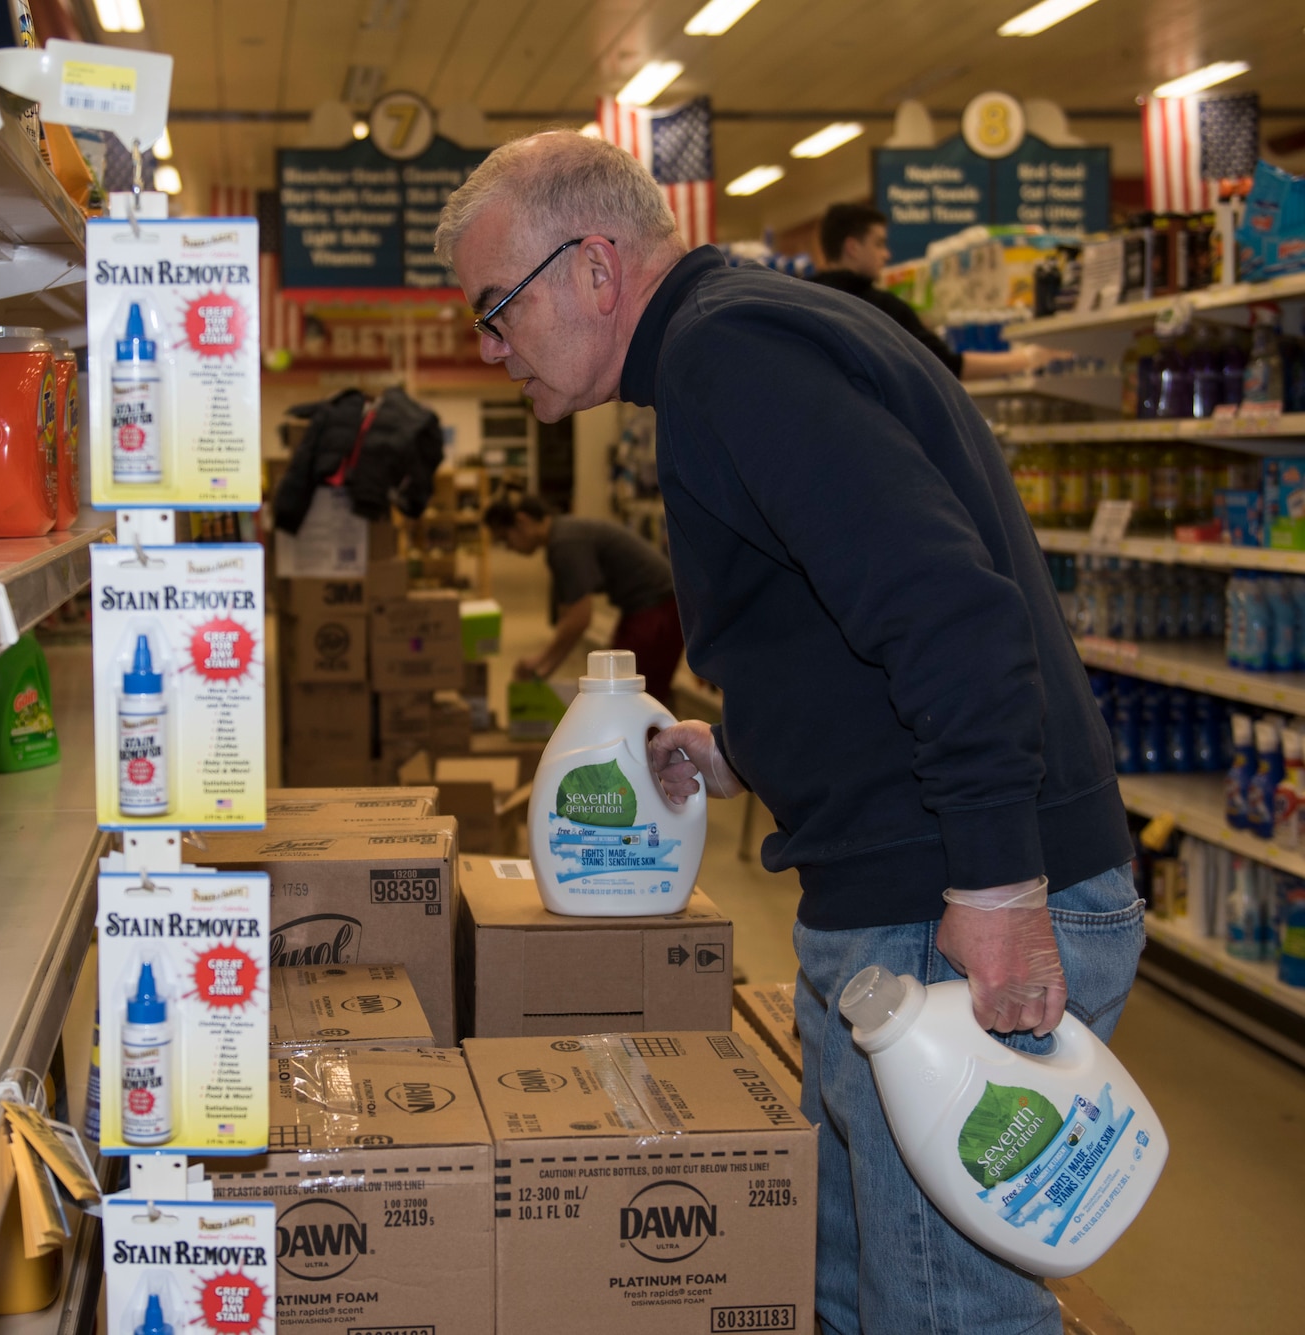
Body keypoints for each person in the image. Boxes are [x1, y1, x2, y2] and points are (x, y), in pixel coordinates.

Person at [435, 132, 1137, 1335]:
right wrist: (746, 749)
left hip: (942, 911)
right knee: (861, 1289)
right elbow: (846, 618)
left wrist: (996, 880)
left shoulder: (728, 355)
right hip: (914, 892)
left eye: (496, 310)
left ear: (594, 268)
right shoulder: (748, 339)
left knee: (938, 1312)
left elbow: (946, 611)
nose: (489, 349)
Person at [812, 202, 1063, 380]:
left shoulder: (805, 300)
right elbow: (943, 366)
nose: (886, 254)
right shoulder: (881, 308)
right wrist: (1028, 358)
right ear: (852, 247)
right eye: (879, 244)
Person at [482, 493, 684, 693]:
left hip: (659, 609)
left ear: (522, 521)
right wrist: (543, 664)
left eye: (505, 539)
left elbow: (579, 619)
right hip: (647, 607)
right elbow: (568, 614)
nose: (508, 548)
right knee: (625, 685)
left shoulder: (564, 543)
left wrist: (542, 666)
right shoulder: (561, 536)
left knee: (626, 691)